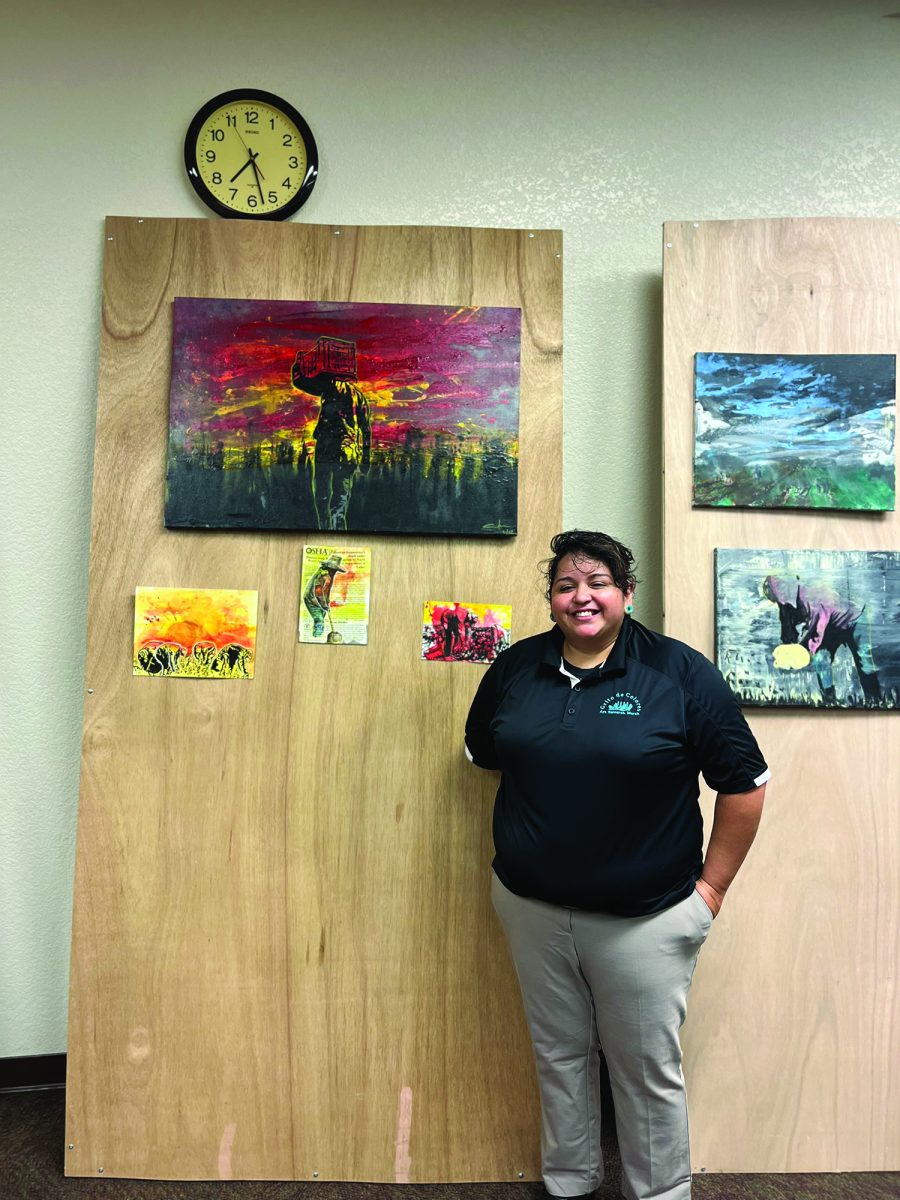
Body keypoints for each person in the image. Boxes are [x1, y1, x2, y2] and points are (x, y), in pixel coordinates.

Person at [465, 530, 769, 1200]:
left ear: (627, 594)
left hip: (647, 919)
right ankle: (570, 1182)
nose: (583, 597)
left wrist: (710, 891)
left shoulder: (680, 674)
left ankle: (658, 1193)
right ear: (551, 601)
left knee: (643, 1066)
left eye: (598, 583)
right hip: (532, 907)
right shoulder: (515, 670)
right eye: (567, 585)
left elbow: (744, 784)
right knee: (559, 1054)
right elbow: (485, 752)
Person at [762, 573, 882, 706]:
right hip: (833, 624)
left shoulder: (811, 597)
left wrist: (807, 651)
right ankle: (829, 701)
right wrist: (789, 648)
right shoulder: (786, 602)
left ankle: (874, 701)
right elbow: (788, 630)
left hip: (855, 619)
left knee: (864, 661)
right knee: (821, 660)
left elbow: (818, 629)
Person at [291, 354, 371, 530]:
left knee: (322, 493)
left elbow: (303, 382)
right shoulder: (360, 396)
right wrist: (365, 459)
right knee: (341, 495)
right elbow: (366, 430)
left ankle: (325, 527)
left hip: (328, 448)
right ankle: (337, 530)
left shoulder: (330, 386)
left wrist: (297, 367)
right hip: (349, 451)